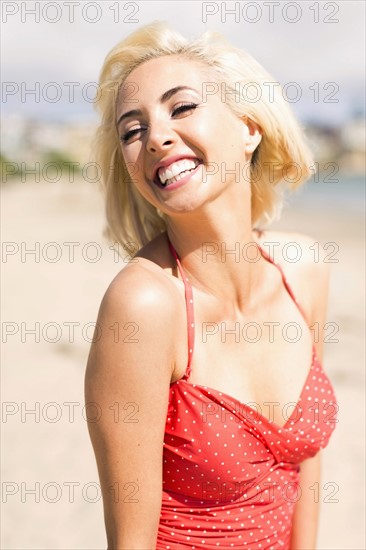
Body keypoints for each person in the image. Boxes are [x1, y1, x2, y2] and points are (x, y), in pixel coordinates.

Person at [84, 21, 337, 549]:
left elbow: (305, 463)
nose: (156, 137)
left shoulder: (302, 269)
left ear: (250, 127)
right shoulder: (145, 304)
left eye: (181, 108)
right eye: (133, 130)